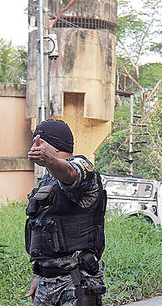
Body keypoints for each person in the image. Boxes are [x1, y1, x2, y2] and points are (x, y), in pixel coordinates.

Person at [25, 119, 107, 306]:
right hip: (47, 283)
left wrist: (51, 161)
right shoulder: (47, 181)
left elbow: (70, 174)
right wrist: (38, 275)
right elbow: (43, 229)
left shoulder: (81, 166)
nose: (34, 146)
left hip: (75, 282)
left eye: (40, 142)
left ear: (54, 144)